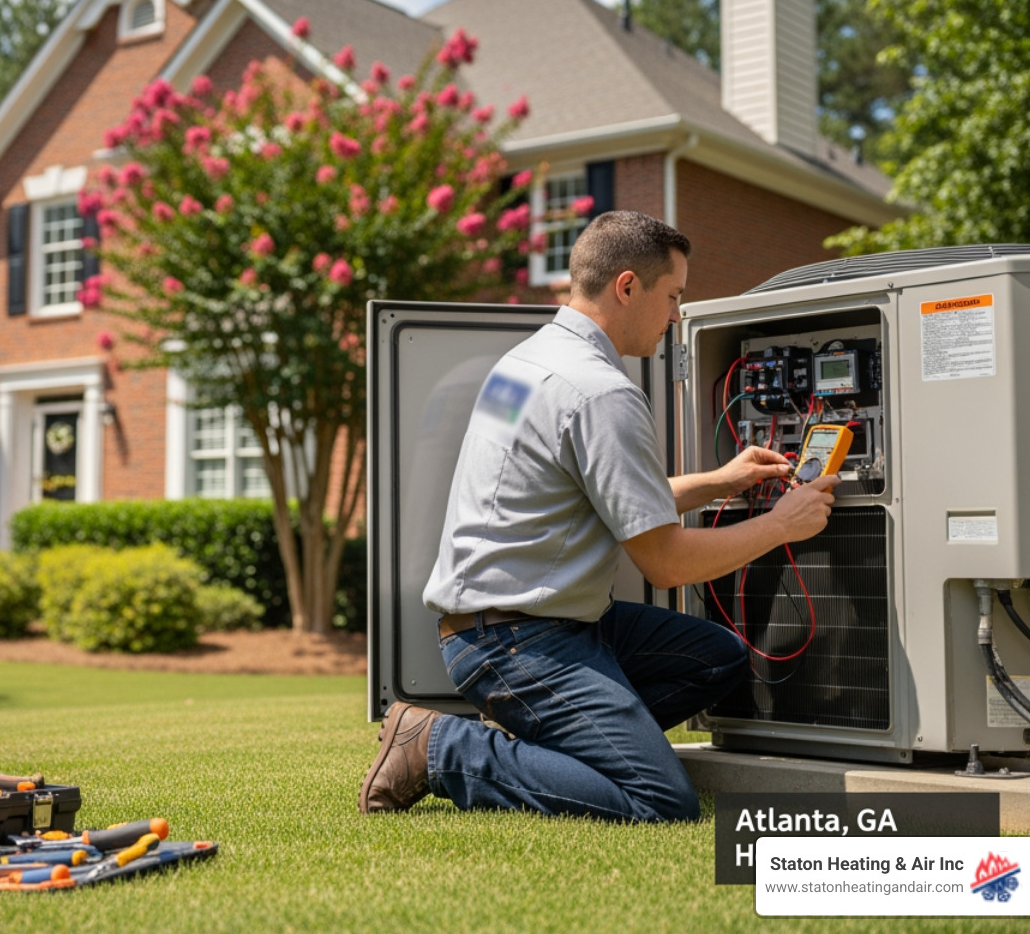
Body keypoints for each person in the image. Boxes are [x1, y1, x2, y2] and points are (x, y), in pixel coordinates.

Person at [358, 210, 840, 822]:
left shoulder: (525, 364)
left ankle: (560, 749)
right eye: (672, 297)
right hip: (517, 641)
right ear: (628, 287)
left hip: (509, 624)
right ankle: (445, 748)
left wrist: (724, 481)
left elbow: (590, 490)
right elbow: (664, 563)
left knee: (715, 657)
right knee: (660, 801)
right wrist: (781, 525)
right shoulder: (601, 392)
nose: (675, 316)